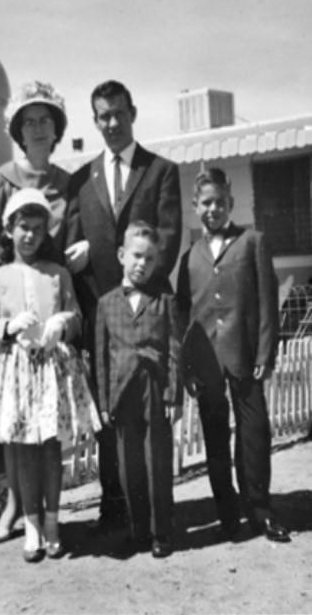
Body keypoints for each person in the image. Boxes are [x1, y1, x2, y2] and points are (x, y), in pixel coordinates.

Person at [64, 79, 182, 532]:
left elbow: (166, 243)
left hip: (149, 318)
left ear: (132, 113)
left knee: (150, 422)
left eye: (118, 113)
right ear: (94, 121)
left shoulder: (161, 171)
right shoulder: (82, 180)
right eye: (102, 116)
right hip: (103, 321)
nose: (111, 123)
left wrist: (138, 294)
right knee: (109, 417)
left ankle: (155, 516)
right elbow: (72, 247)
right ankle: (116, 508)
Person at [0, 188, 98, 562]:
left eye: (37, 228)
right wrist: (9, 326)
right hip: (17, 374)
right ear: (9, 230)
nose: (29, 235)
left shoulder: (58, 274)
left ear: (47, 232)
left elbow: (76, 317)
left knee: (50, 450)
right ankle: (30, 526)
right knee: (26, 452)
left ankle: (51, 523)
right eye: (22, 227)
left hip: (51, 372)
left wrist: (63, 322)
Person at [0, 81, 71, 545]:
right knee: (13, 423)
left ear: (56, 130)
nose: (36, 128)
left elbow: (71, 241)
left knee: (45, 429)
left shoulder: (68, 182)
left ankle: (41, 512)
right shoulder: (1, 178)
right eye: (28, 120)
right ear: (17, 128)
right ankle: (17, 506)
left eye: (45, 120)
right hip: (8, 309)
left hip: (53, 302)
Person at [176, 167, 290, 543]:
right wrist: (187, 367)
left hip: (245, 355)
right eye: (206, 203)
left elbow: (267, 302)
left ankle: (260, 510)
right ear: (195, 206)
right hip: (207, 360)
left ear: (231, 203)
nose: (214, 209)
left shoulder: (253, 242)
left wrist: (264, 352)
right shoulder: (189, 257)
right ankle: (226, 512)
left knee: (254, 432)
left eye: (220, 202)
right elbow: (183, 317)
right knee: (214, 437)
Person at [94, 222, 183, 558]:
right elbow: (101, 358)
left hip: (155, 391)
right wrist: (104, 402)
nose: (142, 264)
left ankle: (162, 532)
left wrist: (174, 394)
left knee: (156, 462)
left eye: (149, 258)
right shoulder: (105, 304)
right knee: (128, 464)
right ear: (121, 255)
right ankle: (138, 530)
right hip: (121, 393)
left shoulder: (164, 302)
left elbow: (175, 350)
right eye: (136, 255)